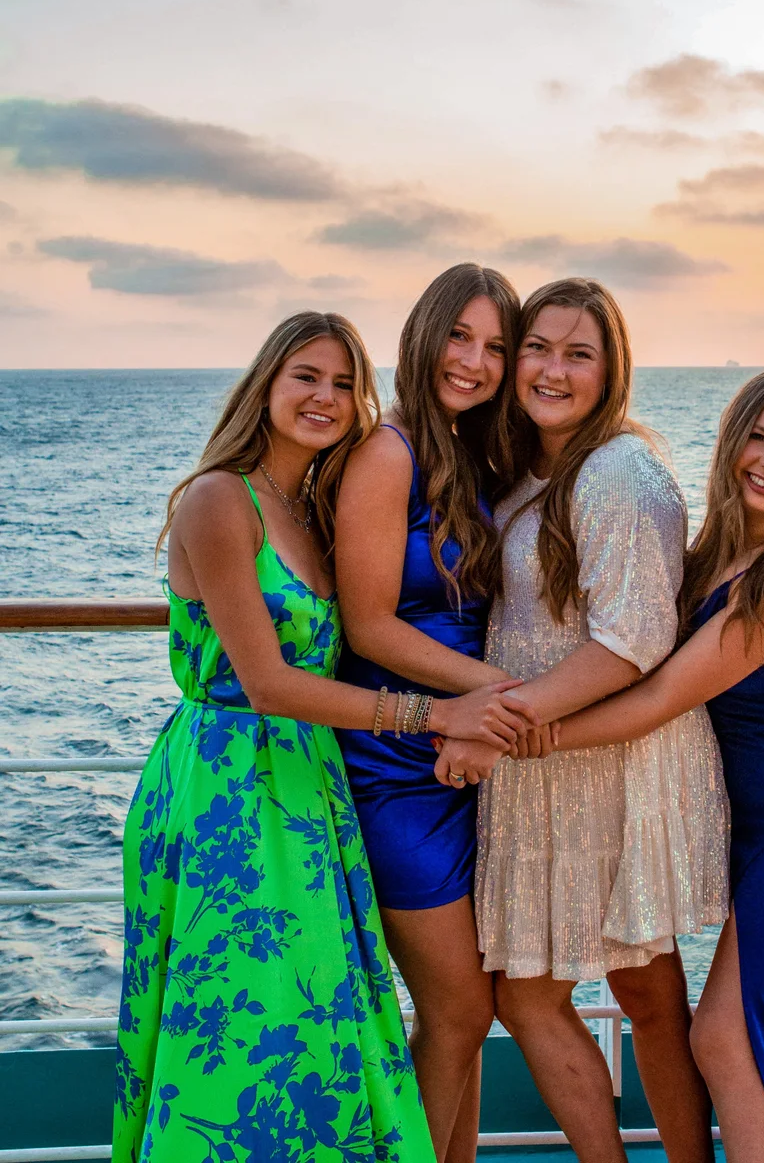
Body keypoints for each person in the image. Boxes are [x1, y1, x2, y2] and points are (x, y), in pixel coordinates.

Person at [113, 309, 500, 1163]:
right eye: (305, 377)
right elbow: (269, 682)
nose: (324, 398)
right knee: (237, 1026)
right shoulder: (222, 499)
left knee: (317, 1025)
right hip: (226, 790)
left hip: (307, 786)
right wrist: (435, 714)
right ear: (266, 385)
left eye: (341, 384)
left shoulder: (314, 504)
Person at [539, 365, 764, 1163]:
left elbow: (661, 695)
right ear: (732, 442)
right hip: (761, 810)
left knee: (726, 1037)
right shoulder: (715, 551)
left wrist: (525, 733)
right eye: (759, 438)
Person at [435, 277, 729, 1163]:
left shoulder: (619, 472)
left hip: (606, 759)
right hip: (546, 765)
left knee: (627, 994)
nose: (551, 370)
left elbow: (631, 644)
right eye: (538, 348)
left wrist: (491, 726)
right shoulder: (526, 472)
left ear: (612, 370)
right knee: (565, 993)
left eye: (579, 354)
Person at [334, 264, 540, 1163]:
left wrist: (482, 712)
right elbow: (368, 624)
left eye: (497, 346)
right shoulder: (389, 451)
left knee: (469, 1013)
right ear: (423, 334)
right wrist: (485, 697)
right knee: (457, 1008)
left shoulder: (479, 455)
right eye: (460, 335)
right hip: (397, 761)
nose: (475, 360)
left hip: (466, 753)